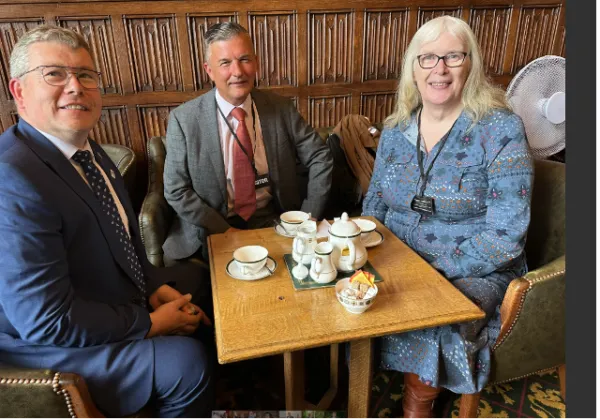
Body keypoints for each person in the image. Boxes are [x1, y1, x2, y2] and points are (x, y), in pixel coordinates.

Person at [0, 25, 215, 419]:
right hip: (49, 346)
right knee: (188, 365)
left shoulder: (89, 151)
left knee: (203, 281)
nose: (75, 87)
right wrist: (149, 323)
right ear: (19, 91)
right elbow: (47, 321)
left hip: (104, 299)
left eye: (85, 75)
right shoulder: (11, 178)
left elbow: (124, 242)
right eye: (54, 74)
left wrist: (153, 288)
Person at [362, 16, 534, 419]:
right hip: (398, 260)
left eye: (453, 56)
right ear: (413, 69)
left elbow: (507, 234)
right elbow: (375, 205)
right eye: (427, 58)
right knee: (341, 297)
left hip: (476, 268)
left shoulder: (501, 129)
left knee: (434, 317)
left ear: (470, 64)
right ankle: (354, 392)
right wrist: (363, 251)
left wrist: (433, 270)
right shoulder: (395, 129)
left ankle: (417, 408)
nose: (439, 69)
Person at [163, 22, 333, 263]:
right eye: (225, 63)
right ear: (209, 70)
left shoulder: (281, 108)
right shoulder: (184, 120)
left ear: (256, 63)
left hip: (275, 220)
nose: (238, 72)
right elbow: (175, 190)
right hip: (213, 225)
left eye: (244, 59)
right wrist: (224, 231)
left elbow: (320, 156)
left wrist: (308, 216)